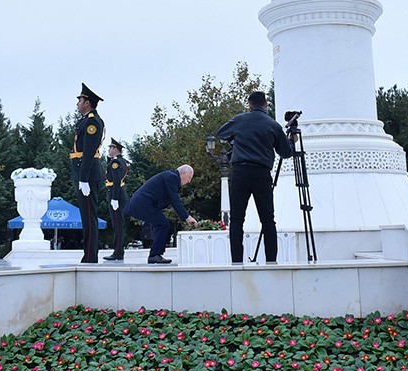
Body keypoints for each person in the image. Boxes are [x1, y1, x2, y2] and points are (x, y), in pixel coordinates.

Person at [216, 91, 294, 264]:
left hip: (240, 172)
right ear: (266, 105)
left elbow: (221, 133)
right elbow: (286, 152)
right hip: (261, 173)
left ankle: (237, 261)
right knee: (268, 220)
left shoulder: (240, 120)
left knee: (236, 220)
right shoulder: (273, 125)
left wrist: (235, 140)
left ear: (249, 104)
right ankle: (271, 261)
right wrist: (292, 140)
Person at [124, 165, 197, 264]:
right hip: (142, 204)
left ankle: (155, 254)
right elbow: (175, 199)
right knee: (163, 224)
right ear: (183, 173)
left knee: (162, 224)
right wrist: (186, 217)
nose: (189, 181)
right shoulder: (172, 177)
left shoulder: (171, 177)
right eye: (189, 177)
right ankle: (155, 255)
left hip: (144, 203)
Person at [71, 83, 105, 263]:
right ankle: (88, 255)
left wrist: (83, 178)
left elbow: (89, 152)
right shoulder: (85, 121)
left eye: (80, 100)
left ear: (87, 103)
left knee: (90, 217)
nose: (77, 103)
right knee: (86, 216)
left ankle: (91, 256)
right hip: (83, 174)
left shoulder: (93, 122)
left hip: (89, 175)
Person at [103, 138, 130, 261]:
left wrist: (114, 198)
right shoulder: (120, 161)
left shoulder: (116, 163)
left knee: (118, 225)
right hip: (118, 194)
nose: (109, 150)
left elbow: (116, 181)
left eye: (111, 148)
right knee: (118, 224)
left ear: (115, 149)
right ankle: (118, 251)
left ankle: (118, 252)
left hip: (116, 195)